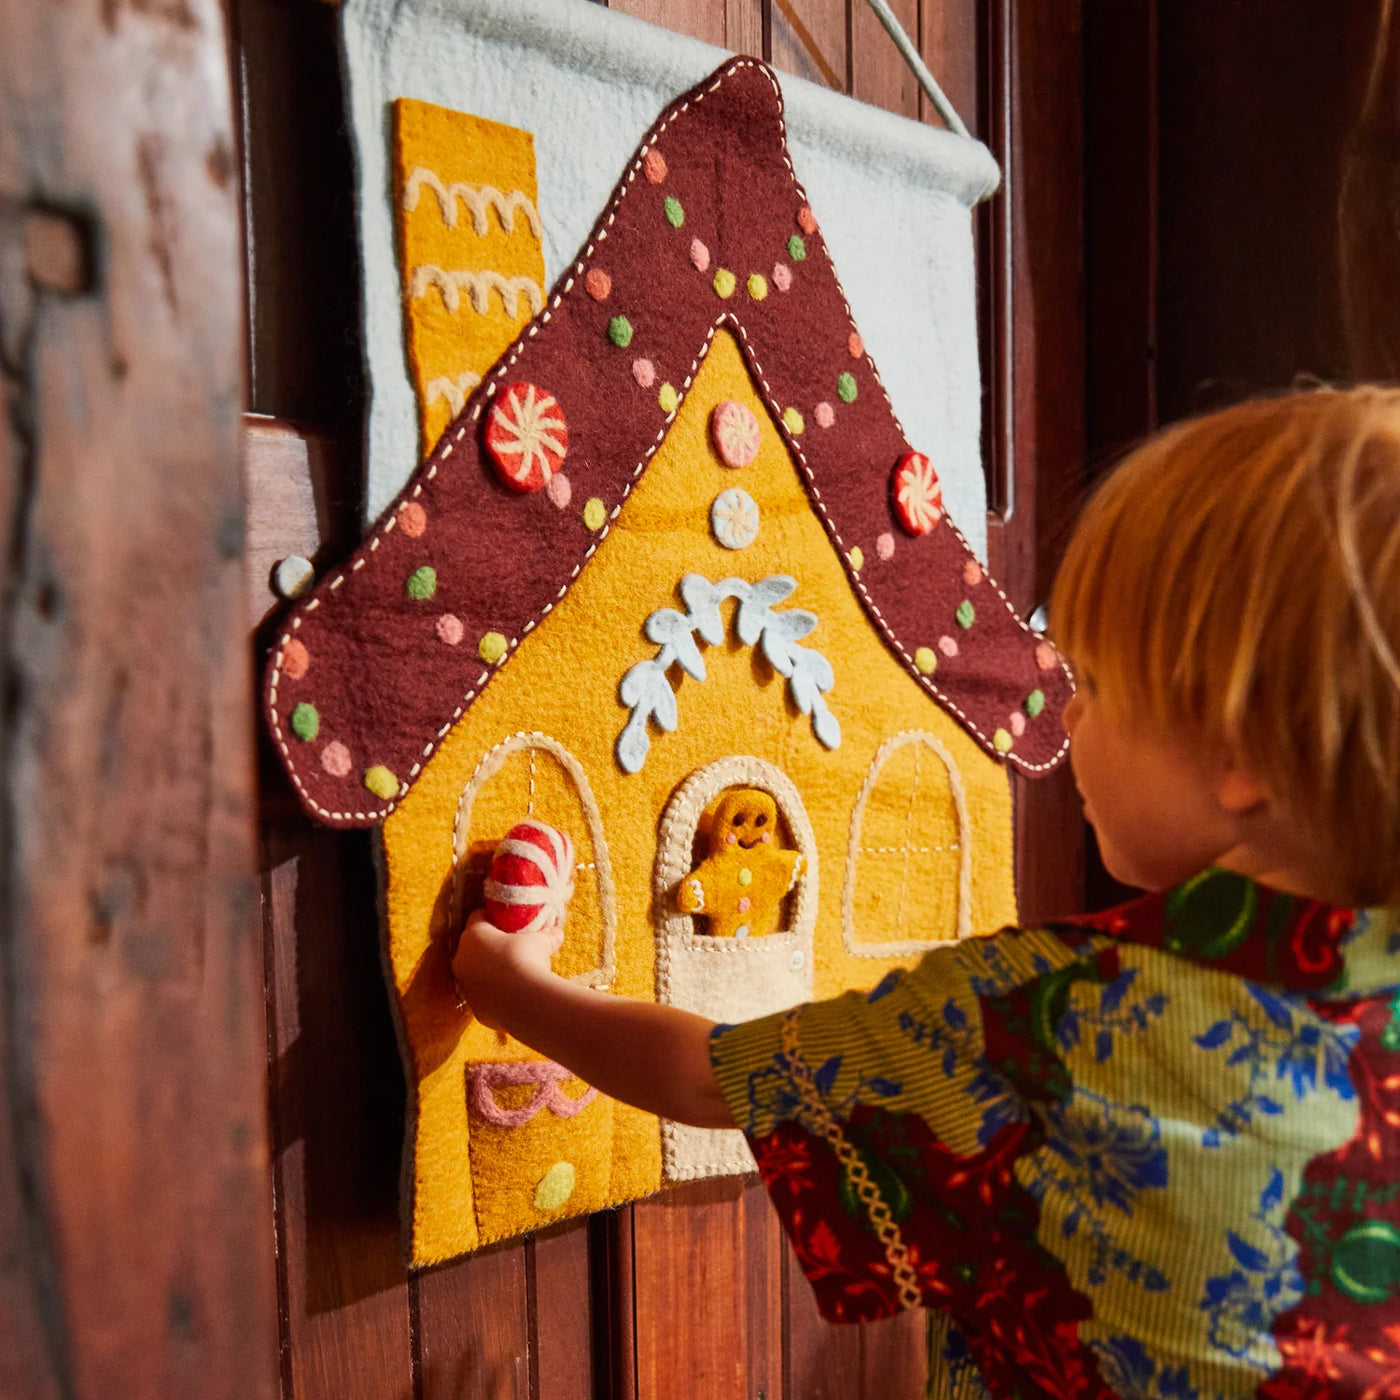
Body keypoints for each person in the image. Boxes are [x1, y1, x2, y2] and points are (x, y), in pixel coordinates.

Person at [453, 386, 1400, 1399]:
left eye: (1098, 681)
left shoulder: (1044, 1015)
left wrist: (511, 986)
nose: (1069, 711)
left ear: (1242, 751)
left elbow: (704, 1078)